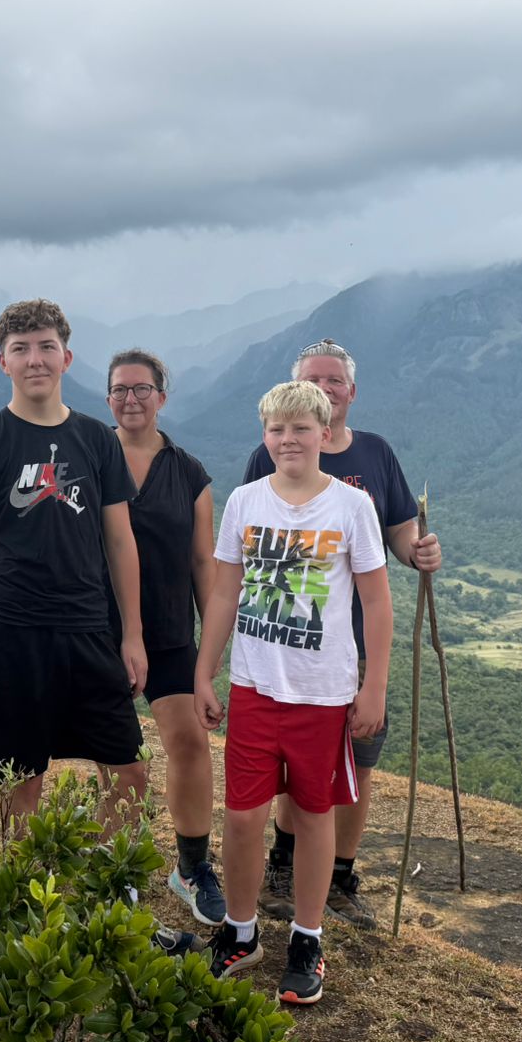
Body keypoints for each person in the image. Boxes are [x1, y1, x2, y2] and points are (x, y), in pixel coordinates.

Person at [194, 380, 393, 1006]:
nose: (289, 439)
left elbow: (376, 599)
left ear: (325, 434)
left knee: (313, 817)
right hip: (255, 687)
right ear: (264, 435)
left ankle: (307, 938)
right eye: (277, 429)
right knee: (245, 817)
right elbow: (224, 591)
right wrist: (206, 671)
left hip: (323, 693)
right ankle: (242, 931)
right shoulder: (246, 502)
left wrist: (374, 686)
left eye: (302, 428)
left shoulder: (351, 507)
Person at [242, 338, 441, 929]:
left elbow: (399, 530)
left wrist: (417, 550)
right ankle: (285, 864)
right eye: (313, 379)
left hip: (353, 645)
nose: (325, 388)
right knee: (291, 763)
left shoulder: (376, 455)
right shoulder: (271, 452)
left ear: (351, 393)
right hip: (289, 644)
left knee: (356, 759)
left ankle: (340, 876)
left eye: (334, 381)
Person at [0, 298, 149, 827]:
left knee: (128, 769)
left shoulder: (96, 442)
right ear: (3, 362)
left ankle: (113, 879)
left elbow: (121, 542)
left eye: (46, 347)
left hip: (89, 624)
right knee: (20, 777)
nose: (34, 359)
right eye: (21, 349)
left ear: (67, 358)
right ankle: (24, 889)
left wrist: (132, 635)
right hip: (14, 628)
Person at [105, 348, 224, 925]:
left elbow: (204, 561)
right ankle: (120, 866)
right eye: (120, 389)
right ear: (108, 398)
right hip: (99, 629)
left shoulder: (189, 472)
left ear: (161, 396)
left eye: (142, 388)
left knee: (188, 743)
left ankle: (191, 867)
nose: (131, 398)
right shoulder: (89, 457)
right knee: (119, 756)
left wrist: (208, 657)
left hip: (172, 630)